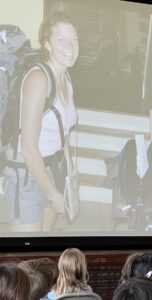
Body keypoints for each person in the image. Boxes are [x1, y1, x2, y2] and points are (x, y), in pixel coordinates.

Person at [2, 11, 79, 232]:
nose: (70, 46)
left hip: (51, 169)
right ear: (47, 44)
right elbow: (27, 148)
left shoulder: (65, 77)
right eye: (61, 39)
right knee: (26, 260)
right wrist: (53, 194)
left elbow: (63, 133)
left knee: (43, 246)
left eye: (74, 38)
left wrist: (69, 175)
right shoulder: (38, 80)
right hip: (26, 174)